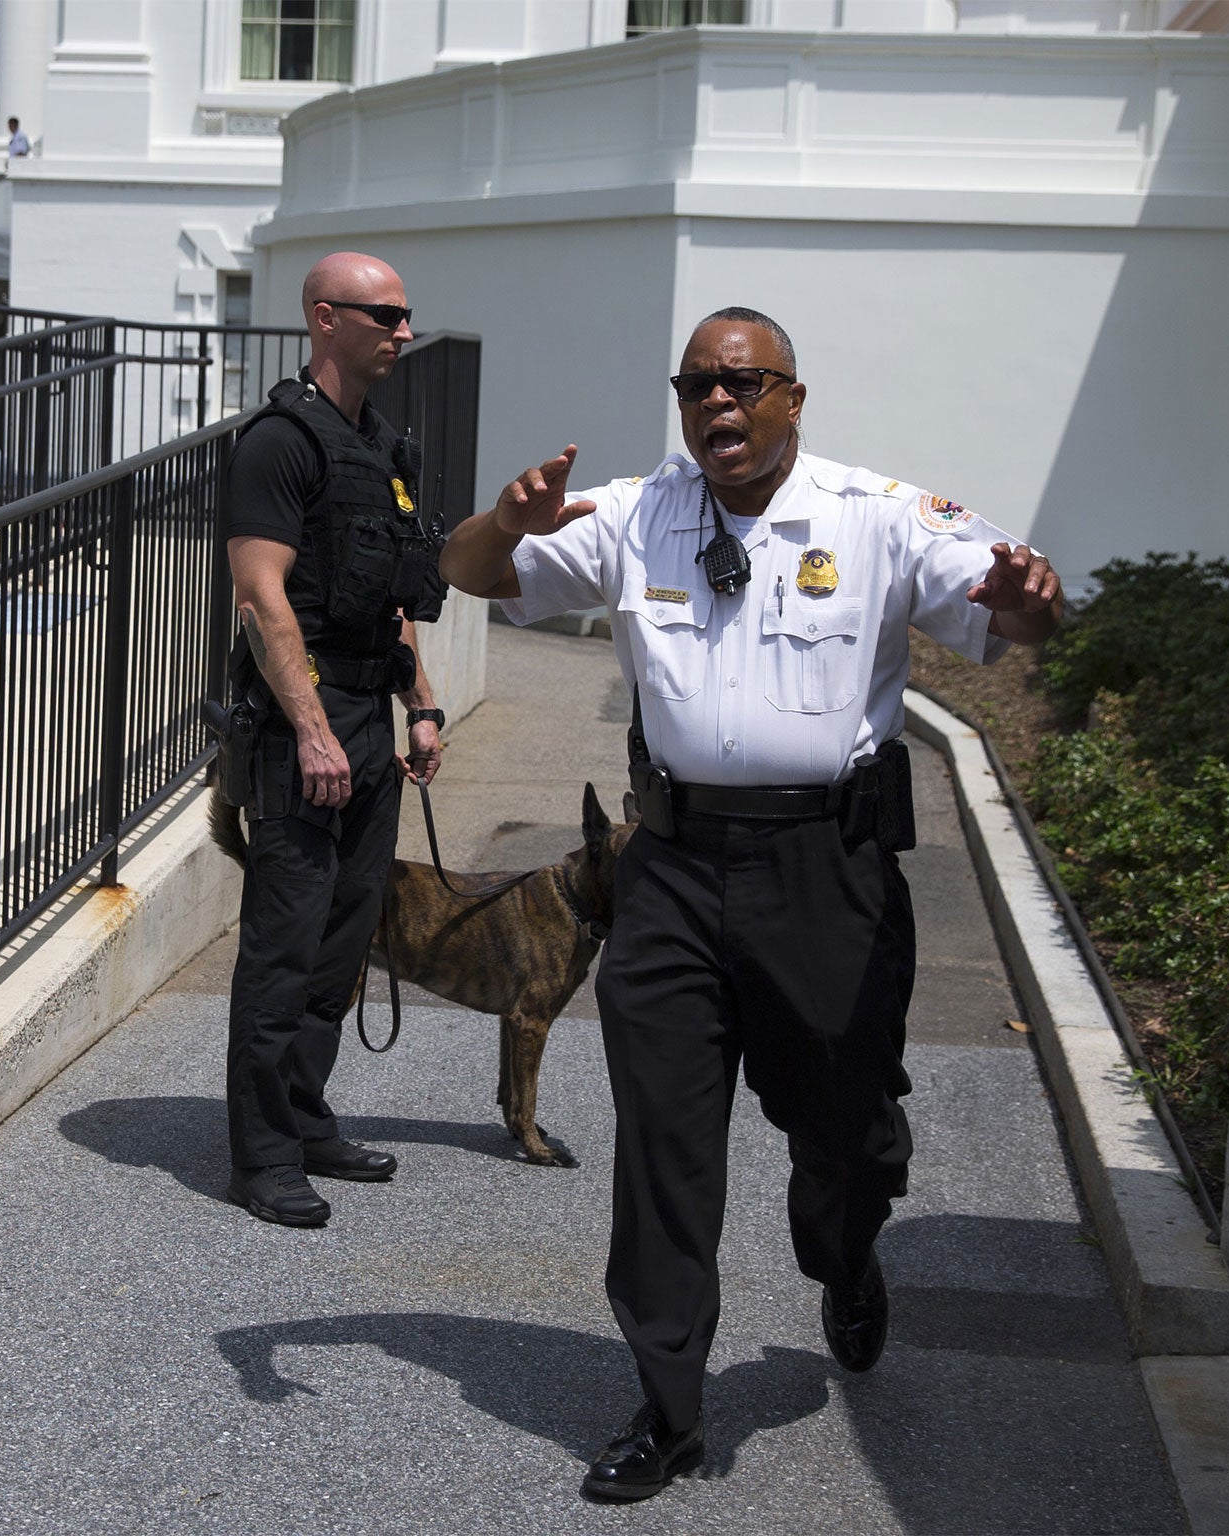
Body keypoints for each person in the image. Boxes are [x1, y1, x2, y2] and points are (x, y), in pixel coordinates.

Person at [438, 305, 1063, 1500]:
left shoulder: (875, 516)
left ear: (791, 397)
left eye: (741, 384)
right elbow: (471, 576)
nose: (715, 406)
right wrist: (499, 523)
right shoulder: (635, 513)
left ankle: (845, 1253)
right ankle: (669, 1406)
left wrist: (1030, 594)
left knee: (844, 1125)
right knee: (664, 1146)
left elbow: (1015, 615)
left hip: (825, 873)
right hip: (667, 869)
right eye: (695, 388)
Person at [221, 252, 448, 1228]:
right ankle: (263, 1157)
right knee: (283, 947)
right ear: (325, 316)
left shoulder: (388, 453)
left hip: (368, 722)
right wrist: (311, 731)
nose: (403, 330)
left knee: (342, 941)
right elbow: (260, 595)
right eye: (384, 314)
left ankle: (306, 1117)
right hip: (297, 728)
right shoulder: (279, 442)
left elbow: (398, 600)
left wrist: (422, 705)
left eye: (405, 315)